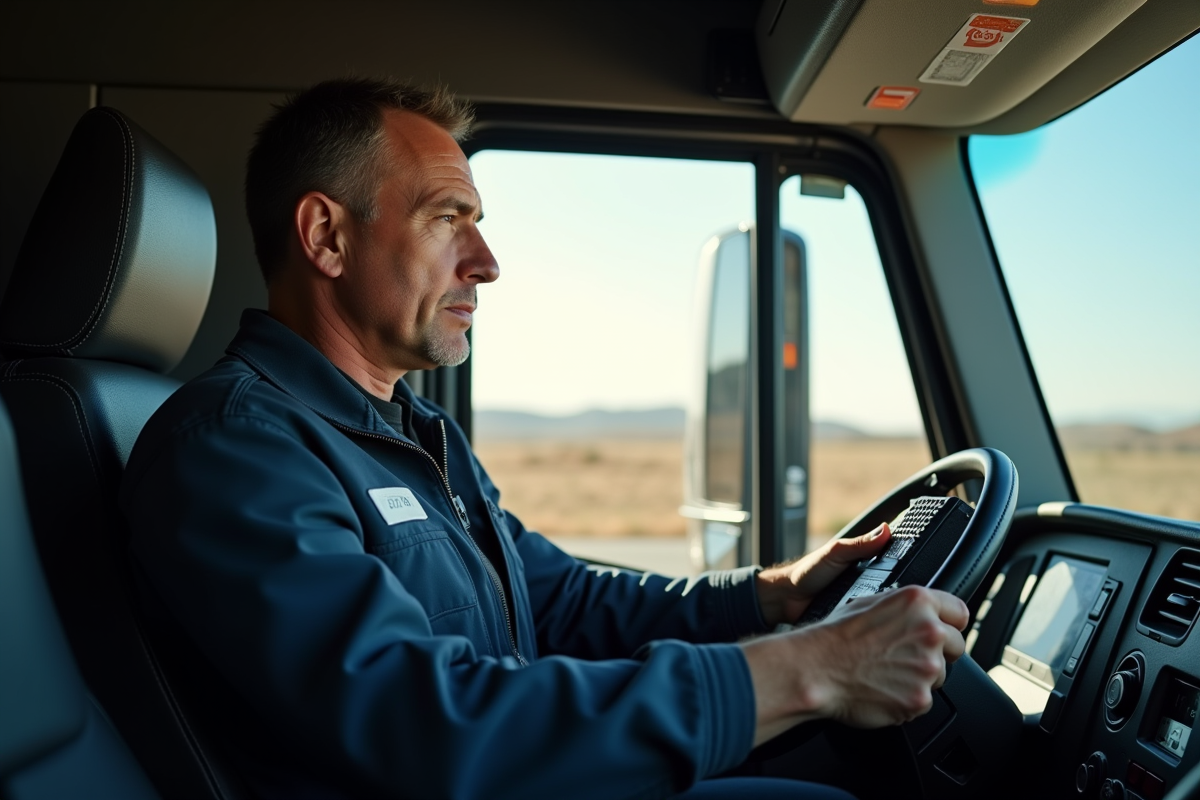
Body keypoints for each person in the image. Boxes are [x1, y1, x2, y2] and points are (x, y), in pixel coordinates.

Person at [120, 78, 968, 800]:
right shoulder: (234, 448)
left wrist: (770, 597)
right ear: (326, 237)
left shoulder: (413, 433)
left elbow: (557, 601)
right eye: (447, 218)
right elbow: (427, 725)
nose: (486, 262)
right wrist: (812, 669)